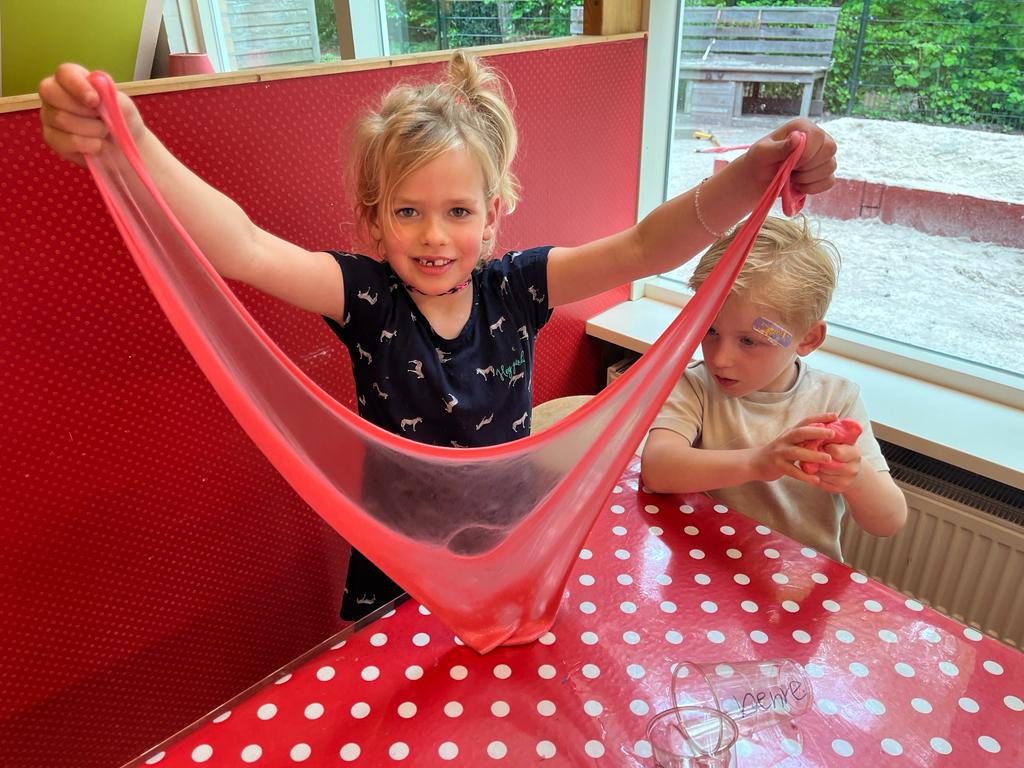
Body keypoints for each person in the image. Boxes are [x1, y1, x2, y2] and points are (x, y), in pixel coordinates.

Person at [39, 52, 837, 614]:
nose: (433, 235)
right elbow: (243, 247)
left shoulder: (517, 287)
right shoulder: (367, 296)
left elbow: (642, 247)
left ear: (493, 215)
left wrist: (748, 176)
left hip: (511, 543)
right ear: (374, 221)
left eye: (458, 211)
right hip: (399, 558)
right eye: (408, 211)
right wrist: (134, 145)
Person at [640, 215, 907, 562]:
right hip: (706, 568)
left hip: (801, 582)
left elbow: (889, 521)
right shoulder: (696, 385)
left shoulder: (836, 401)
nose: (720, 358)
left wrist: (855, 477)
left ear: (808, 339)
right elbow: (657, 469)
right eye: (710, 330)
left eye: (749, 341)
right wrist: (757, 462)